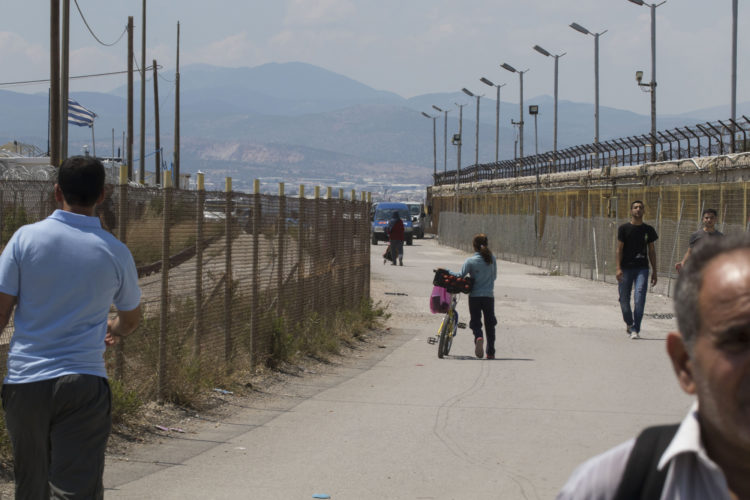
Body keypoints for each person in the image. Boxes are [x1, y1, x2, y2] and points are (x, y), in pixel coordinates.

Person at [557, 233, 750, 500]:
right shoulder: (611, 486)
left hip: (642, 270)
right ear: (685, 364)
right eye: (739, 340)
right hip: (629, 271)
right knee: (628, 300)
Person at [0, 156, 142, 499]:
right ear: (103, 194)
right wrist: (116, 329)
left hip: (26, 381)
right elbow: (131, 316)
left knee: (30, 485)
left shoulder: (24, 240)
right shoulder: (115, 251)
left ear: (56, 191)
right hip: (83, 380)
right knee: (76, 486)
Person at [616, 200, 658, 340]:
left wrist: (655, 271)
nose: (638, 209)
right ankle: (629, 322)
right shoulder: (624, 229)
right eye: (635, 207)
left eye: (640, 207)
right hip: (626, 268)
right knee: (624, 299)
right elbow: (619, 250)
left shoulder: (649, 230)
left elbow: (651, 251)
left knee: (639, 298)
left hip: (642, 268)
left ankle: (635, 329)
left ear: (644, 211)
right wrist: (618, 268)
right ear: (631, 211)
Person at [451, 234, 497, 359]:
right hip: (488, 296)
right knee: (490, 323)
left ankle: (478, 336)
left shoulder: (470, 261)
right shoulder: (492, 259)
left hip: (474, 297)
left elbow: (460, 275)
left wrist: (447, 271)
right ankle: (491, 352)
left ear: (474, 246)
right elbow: (494, 277)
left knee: (476, 321)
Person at [674, 208, 723, 272]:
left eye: (712, 218)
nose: (709, 220)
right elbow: (689, 252)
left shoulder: (720, 236)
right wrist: (682, 263)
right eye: (706, 218)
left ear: (715, 219)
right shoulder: (695, 235)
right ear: (703, 219)